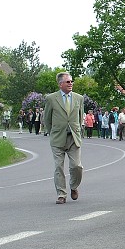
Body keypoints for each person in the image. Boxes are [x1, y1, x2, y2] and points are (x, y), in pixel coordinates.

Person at [42, 72, 84, 205]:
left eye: (71, 81)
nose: (71, 84)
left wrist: (78, 131)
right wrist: (52, 133)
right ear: (60, 84)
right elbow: (47, 119)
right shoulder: (51, 98)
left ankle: (73, 186)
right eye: (68, 82)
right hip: (58, 138)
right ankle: (61, 194)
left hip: (73, 137)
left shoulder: (79, 98)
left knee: (76, 166)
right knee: (58, 167)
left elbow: (80, 116)